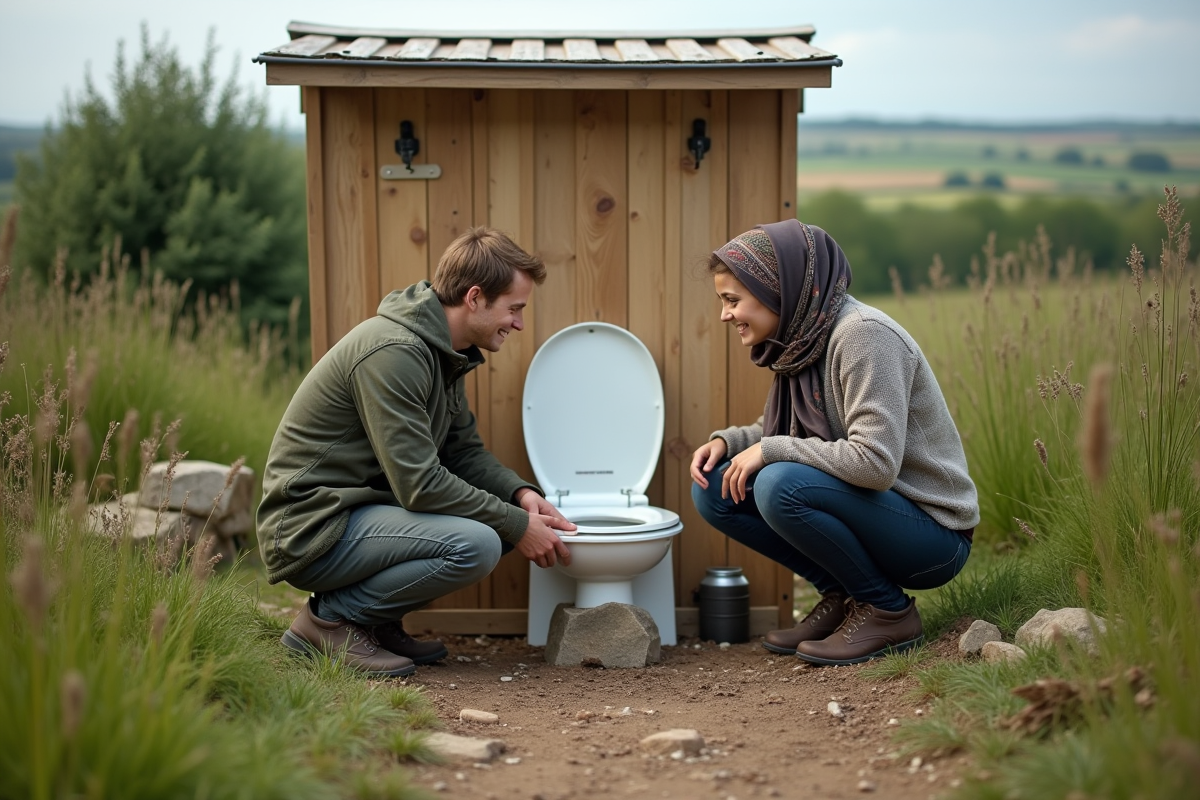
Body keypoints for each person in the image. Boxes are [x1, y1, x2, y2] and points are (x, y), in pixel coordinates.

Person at [258, 227, 577, 677]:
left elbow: (462, 452)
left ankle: (374, 622)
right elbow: (420, 485)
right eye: (515, 309)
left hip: (359, 513)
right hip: (311, 525)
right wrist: (514, 523)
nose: (520, 324)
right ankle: (329, 621)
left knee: (504, 519)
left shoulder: (443, 353)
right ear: (474, 298)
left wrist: (521, 496)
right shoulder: (394, 352)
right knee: (480, 541)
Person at [689, 220, 978, 666]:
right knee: (714, 486)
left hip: (933, 537)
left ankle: (887, 610)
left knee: (778, 483)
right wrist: (731, 443)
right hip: (879, 512)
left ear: (776, 290)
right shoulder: (804, 338)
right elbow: (792, 429)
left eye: (732, 301)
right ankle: (844, 597)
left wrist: (768, 450)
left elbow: (874, 462)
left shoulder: (863, 336)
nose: (725, 315)